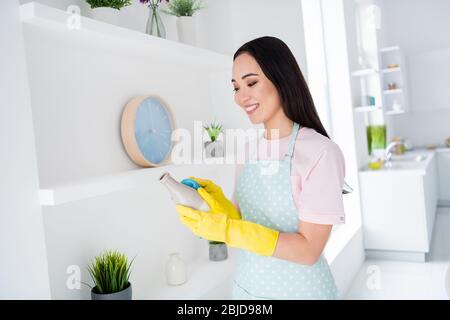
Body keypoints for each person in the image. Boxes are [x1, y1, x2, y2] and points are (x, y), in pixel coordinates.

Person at [175, 36, 346, 300]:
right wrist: (214, 204)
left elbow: (309, 250)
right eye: (235, 88)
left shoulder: (321, 152)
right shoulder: (248, 151)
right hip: (248, 291)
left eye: (251, 83)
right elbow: (242, 220)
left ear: (282, 79)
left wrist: (227, 230)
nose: (241, 97)